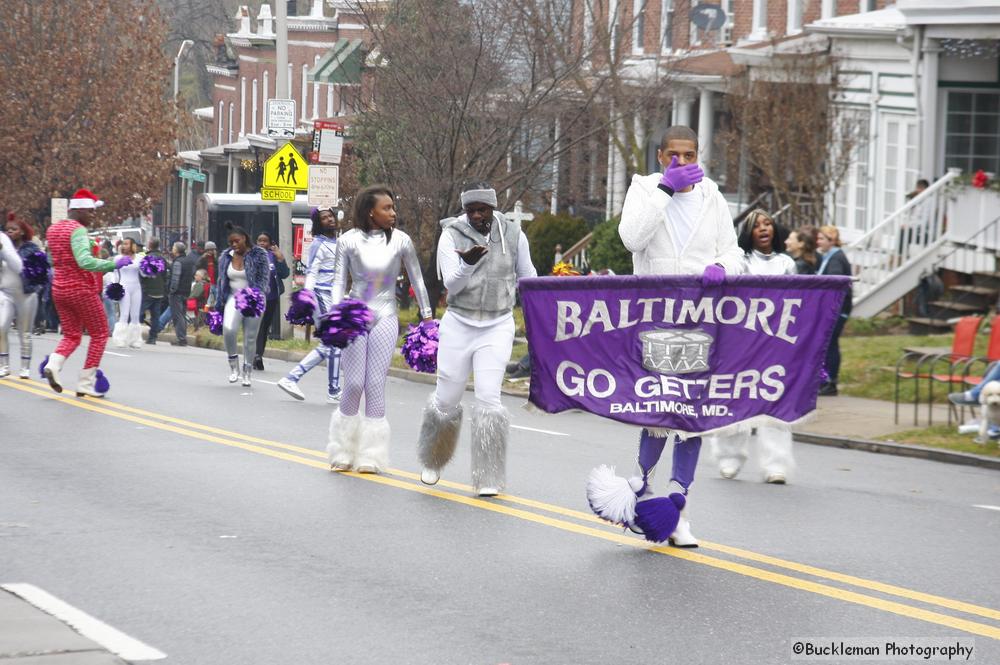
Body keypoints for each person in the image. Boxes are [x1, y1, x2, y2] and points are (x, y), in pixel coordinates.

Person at [590, 125, 744, 547]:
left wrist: (724, 268)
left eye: (689, 155)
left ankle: (678, 512)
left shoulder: (712, 196)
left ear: (699, 156)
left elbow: (733, 251)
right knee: (659, 409)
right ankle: (640, 487)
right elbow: (631, 238)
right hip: (654, 316)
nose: (681, 163)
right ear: (660, 157)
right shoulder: (643, 188)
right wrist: (665, 190)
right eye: (673, 156)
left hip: (700, 317)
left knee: (691, 415)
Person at [416, 181, 537, 496]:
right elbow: (452, 287)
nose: (476, 215)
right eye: (471, 210)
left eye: (482, 209)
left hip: (497, 324)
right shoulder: (451, 233)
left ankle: (488, 475)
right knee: (447, 399)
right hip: (459, 323)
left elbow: (528, 275)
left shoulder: (513, 234)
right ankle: (433, 459)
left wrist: (546, 302)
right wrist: (468, 263)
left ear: (493, 208)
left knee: (489, 399)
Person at [326, 185, 432, 474]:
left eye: (393, 208)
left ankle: (371, 454)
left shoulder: (401, 241)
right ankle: (342, 449)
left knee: (374, 383)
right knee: (354, 383)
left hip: (385, 314)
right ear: (370, 211)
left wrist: (427, 318)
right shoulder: (347, 241)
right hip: (354, 313)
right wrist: (336, 312)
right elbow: (338, 281)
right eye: (387, 208)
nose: (393, 213)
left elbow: (417, 280)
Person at [707, 209, 796, 484]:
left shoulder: (786, 263)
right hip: (741, 344)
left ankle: (775, 465)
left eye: (768, 223)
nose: (764, 228)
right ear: (748, 233)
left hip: (775, 344)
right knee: (735, 399)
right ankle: (729, 459)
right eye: (756, 225)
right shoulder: (740, 262)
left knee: (775, 403)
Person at [42, 189, 131, 397]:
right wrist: (112, 263)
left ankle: (54, 364)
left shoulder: (53, 230)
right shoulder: (78, 230)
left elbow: (60, 257)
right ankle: (85, 382)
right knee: (100, 334)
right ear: (80, 210)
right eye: (91, 212)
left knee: (72, 334)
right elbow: (84, 261)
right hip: (81, 290)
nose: (92, 217)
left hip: (59, 289)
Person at [277, 206, 344, 402]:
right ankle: (292, 378)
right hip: (320, 295)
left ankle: (333, 390)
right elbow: (312, 272)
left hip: (332, 296)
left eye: (330, 216)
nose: (329, 219)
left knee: (334, 344)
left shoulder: (336, 242)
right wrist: (307, 295)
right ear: (318, 223)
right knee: (332, 342)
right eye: (324, 218)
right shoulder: (317, 244)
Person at [215, 223, 270, 386]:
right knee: (229, 329)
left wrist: (255, 294)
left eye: (236, 241)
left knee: (250, 337)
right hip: (233, 297)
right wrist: (218, 302)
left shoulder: (259, 254)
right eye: (231, 242)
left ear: (244, 239)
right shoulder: (226, 256)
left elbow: (263, 278)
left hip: (254, 297)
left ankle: (247, 372)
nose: (233, 245)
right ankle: (234, 367)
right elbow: (221, 280)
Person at [1, 213, 44, 378]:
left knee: (24, 332)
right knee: (1, 327)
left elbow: (41, 273)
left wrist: (37, 287)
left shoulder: (32, 249)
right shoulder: (2, 247)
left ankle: (25, 367)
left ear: (22, 231)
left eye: (14, 229)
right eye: (7, 229)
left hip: (26, 295)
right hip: (6, 293)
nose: (10, 232)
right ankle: (4, 365)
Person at [816, 225, 852, 396]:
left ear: (831, 240)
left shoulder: (836, 258)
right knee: (829, 344)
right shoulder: (830, 256)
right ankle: (827, 381)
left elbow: (834, 283)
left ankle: (831, 382)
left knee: (830, 345)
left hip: (837, 310)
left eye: (821, 238)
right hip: (834, 310)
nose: (818, 242)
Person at [253, 232, 290, 371]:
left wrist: (280, 258)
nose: (262, 243)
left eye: (265, 241)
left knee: (265, 327)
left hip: (271, 297)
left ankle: (258, 355)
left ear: (270, 243)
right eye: (260, 240)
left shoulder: (274, 256)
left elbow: (285, 274)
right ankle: (256, 355)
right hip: (255, 298)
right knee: (258, 326)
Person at [110, 238, 144, 349]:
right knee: (124, 314)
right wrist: (115, 286)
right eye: (123, 244)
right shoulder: (118, 258)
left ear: (132, 245)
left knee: (135, 315)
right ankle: (120, 339)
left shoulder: (139, 258)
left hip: (136, 287)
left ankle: (135, 340)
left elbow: (144, 274)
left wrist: (150, 269)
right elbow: (114, 273)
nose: (124, 246)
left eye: (126, 244)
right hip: (124, 286)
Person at [167, 242, 198, 347]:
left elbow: (175, 278)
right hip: (186, 291)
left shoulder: (177, 262)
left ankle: (181, 338)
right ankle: (182, 337)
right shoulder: (189, 261)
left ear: (176, 251)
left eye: (173, 247)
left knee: (178, 315)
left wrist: (172, 290)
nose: (172, 249)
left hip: (177, 293)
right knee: (182, 315)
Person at [140, 237, 168, 344]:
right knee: (155, 316)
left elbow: (143, 275)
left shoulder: (148, 258)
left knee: (139, 313)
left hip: (148, 291)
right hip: (159, 292)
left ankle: (134, 332)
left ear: (150, 245)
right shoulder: (162, 259)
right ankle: (153, 337)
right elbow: (164, 274)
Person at [197, 240, 218, 311]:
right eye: (208, 250)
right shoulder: (203, 259)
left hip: (215, 284)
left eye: (212, 250)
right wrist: (202, 257)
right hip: (207, 284)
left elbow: (219, 268)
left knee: (216, 302)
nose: (210, 252)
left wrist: (215, 258)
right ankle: (206, 316)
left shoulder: (216, 259)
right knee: (208, 303)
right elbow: (197, 266)